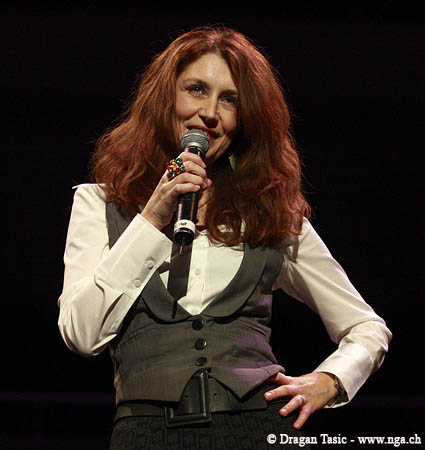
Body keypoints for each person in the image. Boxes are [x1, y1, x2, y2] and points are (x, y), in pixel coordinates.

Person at [58, 26, 392, 449]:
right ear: (165, 97)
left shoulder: (270, 214)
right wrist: (152, 218)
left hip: (256, 429)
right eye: (196, 89)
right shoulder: (100, 203)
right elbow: (81, 333)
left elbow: (366, 327)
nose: (210, 113)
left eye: (230, 99)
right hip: (146, 435)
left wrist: (331, 380)